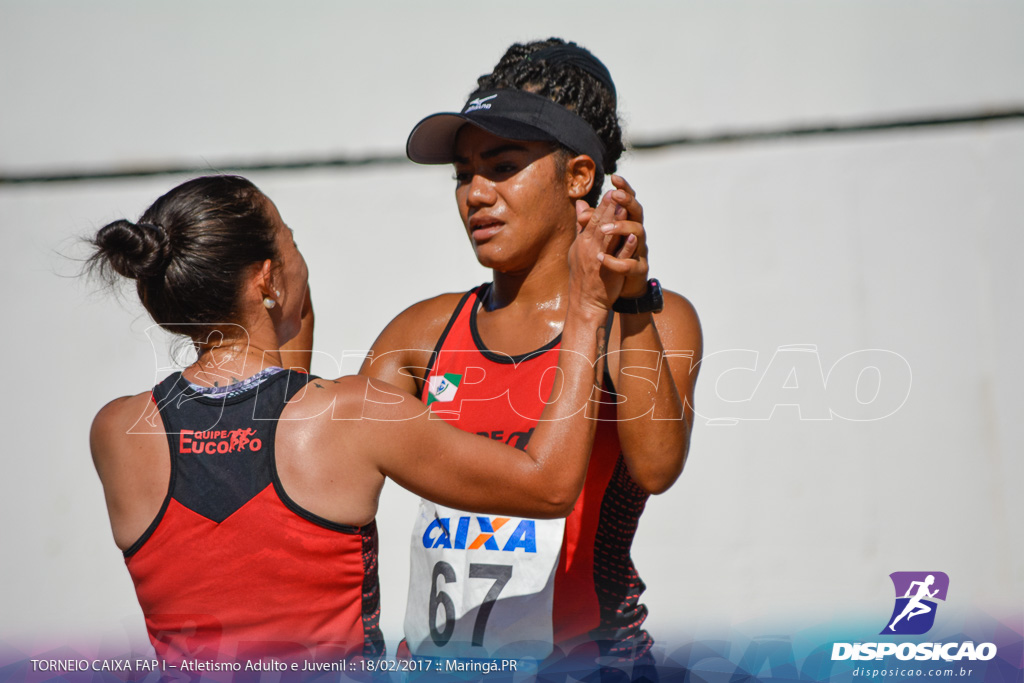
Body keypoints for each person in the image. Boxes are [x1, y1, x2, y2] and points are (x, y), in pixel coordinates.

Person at [86, 174, 633, 664]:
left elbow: (263, 421)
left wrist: (278, 295)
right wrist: (587, 307)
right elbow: (550, 486)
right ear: (268, 280)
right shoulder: (353, 416)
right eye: (292, 243)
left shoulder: (117, 432)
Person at [359, 38, 703, 678]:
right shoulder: (418, 334)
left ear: (578, 175)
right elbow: (333, 491)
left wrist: (622, 301)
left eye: (502, 164)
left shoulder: (656, 318)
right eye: (463, 174)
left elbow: (656, 468)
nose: (475, 194)